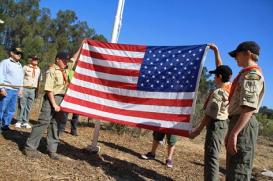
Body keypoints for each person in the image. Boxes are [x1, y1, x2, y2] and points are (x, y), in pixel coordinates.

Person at [189, 44, 232, 181]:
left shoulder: (219, 92)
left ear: (220, 77)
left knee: (211, 157)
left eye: (215, 76)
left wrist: (197, 130)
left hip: (216, 125)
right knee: (212, 155)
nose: (213, 78)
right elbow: (222, 67)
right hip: (223, 124)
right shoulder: (229, 86)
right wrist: (216, 51)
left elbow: (209, 115)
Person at [23, 52, 75, 160]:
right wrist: (54, 104)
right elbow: (49, 90)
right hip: (51, 98)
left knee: (56, 125)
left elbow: (74, 58)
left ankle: (52, 150)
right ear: (57, 60)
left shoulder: (66, 69)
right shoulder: (51, 71)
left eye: (67, 60)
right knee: (43, 122)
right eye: (64, 60)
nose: (66, 62)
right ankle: (30, 148)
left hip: (62, 99)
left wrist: (83, 44)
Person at [226, 41, 265, 181]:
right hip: (239, 121)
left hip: (244, 123)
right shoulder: (245, 74)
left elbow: (248, 107)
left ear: (247, 53)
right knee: (233, 168)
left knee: (239, 171)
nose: (235, 58)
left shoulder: (252, 75)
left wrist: (235, 133)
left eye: (237, 55)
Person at [0, 47, 24, 132]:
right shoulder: (5, 62)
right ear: (11, 53)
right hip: (7, 89)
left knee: (11, 109)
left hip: (15, 90)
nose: (19, 55)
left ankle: (5, 125)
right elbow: (1, 75)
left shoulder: (19, 65)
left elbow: (21, 78)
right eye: (17, 53)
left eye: (20, 53)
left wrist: (21, 89)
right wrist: (1, 88)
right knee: (2, 107)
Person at [15, 55, 42, 129]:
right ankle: (19, 121)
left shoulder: (38, 69)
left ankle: (25, 121)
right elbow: (20, 78)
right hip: (25, 88)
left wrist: (37, 91)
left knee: (28, 107)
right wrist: (20, 89)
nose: (36, 60)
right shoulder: (25, 67)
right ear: (31, 60)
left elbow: (39, 81)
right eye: (34, 59)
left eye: (37, 59)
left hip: (33, 90)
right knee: (22, 105)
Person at [58, 56, 80, 136]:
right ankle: (61, 128)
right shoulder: (71, 72)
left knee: (76, 114)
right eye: (77, 63)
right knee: (65, 113)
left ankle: (73, 130)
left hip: (77, 96)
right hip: (69, 94)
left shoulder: (82, 74)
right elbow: (69, 82)